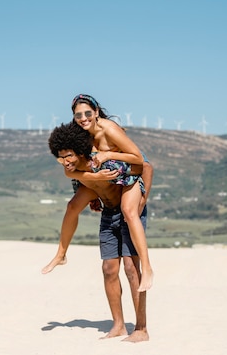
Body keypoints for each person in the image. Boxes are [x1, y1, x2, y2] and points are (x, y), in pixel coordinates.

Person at [42, 122, 152, 342]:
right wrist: (95, 184)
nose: (66, 162)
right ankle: (118, 325)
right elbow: (79, 180)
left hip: (127, 211)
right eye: (61, 157)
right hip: (108, 213)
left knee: (131, 268)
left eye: (69, 156)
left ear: (80, 150)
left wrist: (143, 199)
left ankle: (141, 329)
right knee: (109, 269)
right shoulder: (74, 170)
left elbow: (145, 167)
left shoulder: (103, 159)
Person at [70, 94, 154, 292]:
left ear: (96, 112)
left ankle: (148, 268)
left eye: (87, 113)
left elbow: (140, 161)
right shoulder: (82, 137)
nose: (83, 118)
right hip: (114, 184)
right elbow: (77, 169)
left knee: (129, 211)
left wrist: (108, 154)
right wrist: (93, 193)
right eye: (78, 115)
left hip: (133, 176)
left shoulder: (109, 128)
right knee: (109, 268)